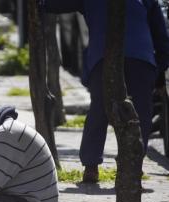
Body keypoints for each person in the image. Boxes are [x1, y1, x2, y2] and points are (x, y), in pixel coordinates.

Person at [40, 0, 169, 182]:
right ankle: (134, 166)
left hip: (105, 57)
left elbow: (54, 5)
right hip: (140, 59)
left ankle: (91, 166)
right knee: (141, 114)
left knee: (100, 109)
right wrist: (160, 66)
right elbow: (161, 35)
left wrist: (40, 5)